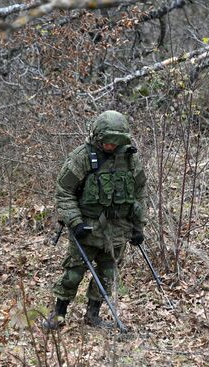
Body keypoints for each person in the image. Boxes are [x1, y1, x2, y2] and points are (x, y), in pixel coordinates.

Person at [43, 110, 147, 329]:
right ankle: (59, 314)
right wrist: (75, 222)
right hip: (87, 228)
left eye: (115, 142)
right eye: (107, 141)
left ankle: (93, 315)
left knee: (108, 275)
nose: (110, 146)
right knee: (73, 273)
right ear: (98, 136)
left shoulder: (129, 158)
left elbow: (139, 194)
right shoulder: (82, 157)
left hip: (118, 229)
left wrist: (138, 227)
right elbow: (64, 192)